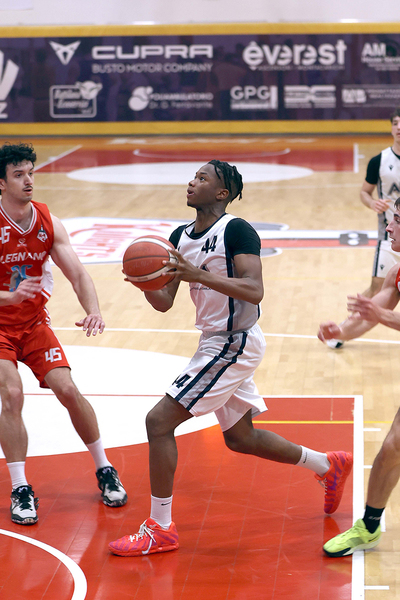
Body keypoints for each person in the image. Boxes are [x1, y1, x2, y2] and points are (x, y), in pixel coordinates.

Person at [109, 160, 353, 557]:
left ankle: (160, 528)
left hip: (233, 342)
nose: (192, 182)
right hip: (216, 341)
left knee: (158, 421)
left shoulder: (236, 230)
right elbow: (165, 302)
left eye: (202, 178)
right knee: (241, 438)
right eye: (193, 176)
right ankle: (328, 465)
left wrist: (198, 275)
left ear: (222, 193)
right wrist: (144, 281)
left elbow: (254, 290)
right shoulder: (178, 237)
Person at [0, 142, 127, 525]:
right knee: (12, 394)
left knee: (68, 389)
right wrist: (9, 297)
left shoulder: (47, 221)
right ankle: (21, 487)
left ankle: (104, 468)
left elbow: (78, 274)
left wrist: (94, 310)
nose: (28, 181)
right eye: (18, 175)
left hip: (33, 324)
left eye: (30, 173)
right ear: (1, 183)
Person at [318, 196, 400, 556]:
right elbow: (372, 313)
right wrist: (341, 330)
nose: (389, 227)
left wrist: (381, 316)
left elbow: (383, 316)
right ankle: (368, 528)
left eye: (396, 220)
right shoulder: (396, 271)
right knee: (393, 448)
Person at [327, 107, 400, 349]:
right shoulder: (379, 161)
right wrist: (372, 203)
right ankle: (343, 330)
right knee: (379, 288)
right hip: (389, 239)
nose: (399, 127)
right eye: (395, 123)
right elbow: (364, 192)